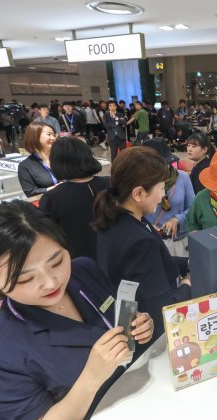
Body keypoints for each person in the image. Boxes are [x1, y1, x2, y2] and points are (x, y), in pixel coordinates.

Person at [0, 201, 154, 420]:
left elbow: (116, 317)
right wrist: (91, 377)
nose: (50, 282)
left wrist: (140, 325)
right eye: (25, 278)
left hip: (149, 398)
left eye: (56, 261)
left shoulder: (84, 270)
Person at [93, 147, 191, 337]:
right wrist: (188, 284)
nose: (163, 195)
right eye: (161, 187)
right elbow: (163, 309)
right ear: (138, 193)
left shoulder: (117, 216)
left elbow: (156, 262)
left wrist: (186, 263)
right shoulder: (138, 241)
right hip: (152, 334)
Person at [39, 137, 109, 260]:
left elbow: (48, 237)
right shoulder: (111, 183)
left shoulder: (53, 197)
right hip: (117, 256)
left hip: (79, 263)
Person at [142, 138, 195, 257]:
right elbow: (133, 212)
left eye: (165, 163)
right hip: (151, 240)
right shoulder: (141, 182)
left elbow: (192, 208)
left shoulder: (182, 178)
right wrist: (147, 225)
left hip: (178, 240)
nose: (162, 167)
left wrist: (177, 219)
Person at [18, 122, 58, 197]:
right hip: (47, 204)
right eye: (49, 134)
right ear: (35, 137)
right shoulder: (25, 166)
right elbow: (30, 192)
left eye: (53, 134)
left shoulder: (62, 157)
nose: (53, 138)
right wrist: (53, 189)